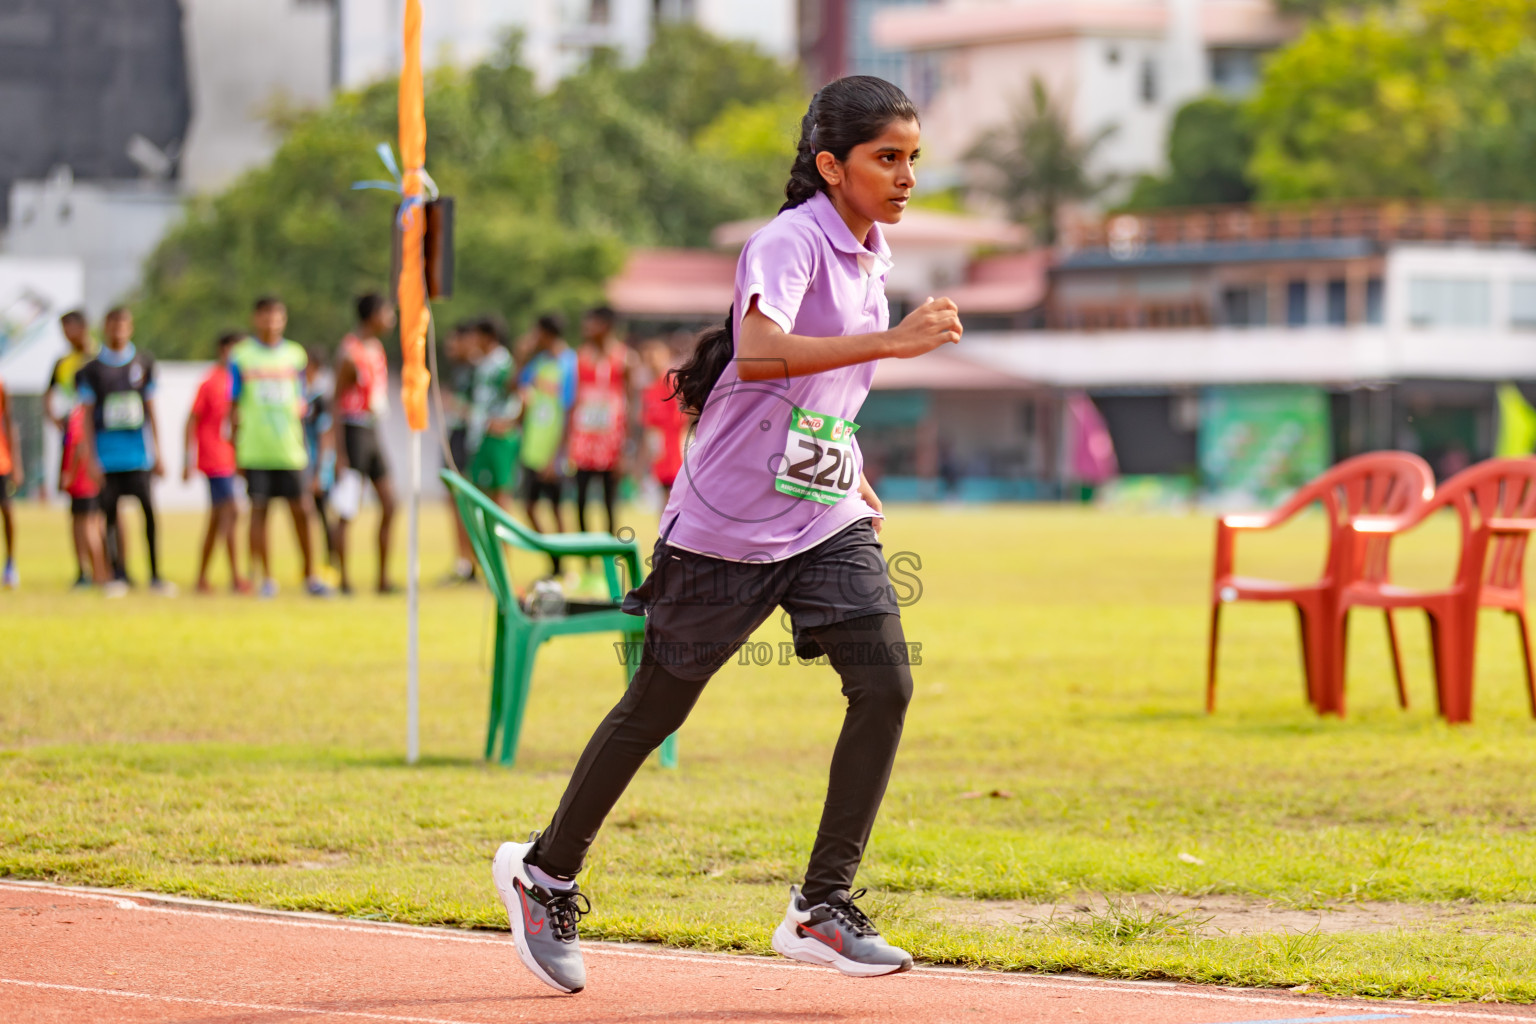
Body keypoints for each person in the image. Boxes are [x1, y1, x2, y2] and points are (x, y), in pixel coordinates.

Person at [490, 76, 963, 994]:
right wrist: (893, 345)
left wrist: (848, 461)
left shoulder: (872, 254)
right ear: (833, 166)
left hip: (822, 512)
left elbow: (819, 391)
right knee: (659, 706)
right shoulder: (788, 242)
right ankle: (544, 874)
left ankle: (821, 906)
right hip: (726, 524)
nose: (906, 177)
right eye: (887, 158)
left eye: (913, 159)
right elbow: (758, 352)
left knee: (887, 683)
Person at [230, 296, 330, 598]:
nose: (271, 321)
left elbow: (299, 403)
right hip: (256, 447)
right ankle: (264, 577)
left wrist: (304, 443)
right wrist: (235, 448)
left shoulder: (295, 355)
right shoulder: (242, 356)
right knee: (259, 512)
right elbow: (233, 406)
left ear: (284, 319)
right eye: (265, 315)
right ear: (255, 318)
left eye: (277, 316)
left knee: (302, 510)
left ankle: (311, 575)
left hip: (289, 448)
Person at [75, 307, 173, 597]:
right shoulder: (91, 370)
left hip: (139, 455)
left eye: (124, 323)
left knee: (149, 514)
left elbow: (152, 410)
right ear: (105, 326)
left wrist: (158, 452)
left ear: (130, 327)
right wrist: (90, 458)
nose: (119, 328)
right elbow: (87, 418)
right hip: (108, 457)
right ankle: (117, 573)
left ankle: (155, 574)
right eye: (113, 323)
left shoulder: (144, 363)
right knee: (110, 516)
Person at [333, 293, 397, 594]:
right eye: (386, 312)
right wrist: (339, 452)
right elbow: (336, 401)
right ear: (372, 315)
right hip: (353, 431)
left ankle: (382, 579)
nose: (391, 318)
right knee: (348, 509)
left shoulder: (376, 348)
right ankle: (342, 578)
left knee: (390, 503)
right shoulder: (350, 352)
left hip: (372, 430)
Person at [184, 332, 247, 594]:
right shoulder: (210, 382)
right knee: (230, 511)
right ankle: (235, 577)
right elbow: (191, 420)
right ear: (222, 351)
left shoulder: (242, 382)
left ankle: (202, 577)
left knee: (218, 518)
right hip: (214, 457)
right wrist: (187, 459)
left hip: (232, 458)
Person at [516, 313, 575, 575]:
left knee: (556, 509)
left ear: (547, 334)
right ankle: (553, 561)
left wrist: (557, 456)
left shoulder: (569, 364)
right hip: (533, 447)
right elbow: (515, 386)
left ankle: (563, 565)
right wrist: (520, 357)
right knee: (528, 507)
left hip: (553, 451)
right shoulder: (538, 363)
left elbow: (569, 410)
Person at [44, 309, 98, 585]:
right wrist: (58, 422)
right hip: (73, 436)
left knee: (100, 509)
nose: (66, 335)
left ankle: (107, 567)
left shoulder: (99, 358)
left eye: (70, 329)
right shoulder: (62, 362)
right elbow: (48, 394)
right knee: (78, 508)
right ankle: (84, 571)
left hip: (97, 440)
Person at [568, 306, 631, 535]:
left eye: (591, 323)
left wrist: (626, 447)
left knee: (609, 500)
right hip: (584, 438)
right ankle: (586, 556)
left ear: (605, 326)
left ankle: (609, 553)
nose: (586, 328)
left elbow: (631, 403)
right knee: (580, 498)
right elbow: (573, 399)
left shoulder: (623, 358)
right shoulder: (581, 357)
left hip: (611, 439)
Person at [465, 316, 521, 512]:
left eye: (476, 335)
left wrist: (509, 421)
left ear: (489, 337)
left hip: (498, 435)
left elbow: (518, 394)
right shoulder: (483, 362)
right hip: (482, 431)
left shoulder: (504, 363)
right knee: (481, 488)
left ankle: (501, 540)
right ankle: (486, 539)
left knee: (500, 490)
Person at [441, 321, 478, 584]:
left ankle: (473, 562)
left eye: (456, 341)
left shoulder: (480, 371)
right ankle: (463, 561)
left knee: (466, 501)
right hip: (453, 436)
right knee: (452, 500)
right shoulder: (458, 370)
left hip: (469, 440)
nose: (450, 347)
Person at [302, 349, 339, 584]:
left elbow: (326, 435)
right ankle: (317, 563)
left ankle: (330, 563)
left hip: (319, 466)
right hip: (308, 463)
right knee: (313, 515)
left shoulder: (321, 397)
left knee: (324, 515)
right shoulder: (305, 396)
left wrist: (319, 473)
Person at [638, 338, 688, 503]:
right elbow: (648, 424)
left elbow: (683, 418)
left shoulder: (672, 383)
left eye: (654, 356)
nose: (651, 361)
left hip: (676, 447)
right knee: (664, 495)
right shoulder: (649, 389)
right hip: (660, 450)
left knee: (676, 495)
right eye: (647, 358)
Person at [0, 373, 20, 588]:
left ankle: (10, 563)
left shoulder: (2, 384)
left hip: (2, 461)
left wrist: (17, 464)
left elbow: (9, 422)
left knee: (7, 510)